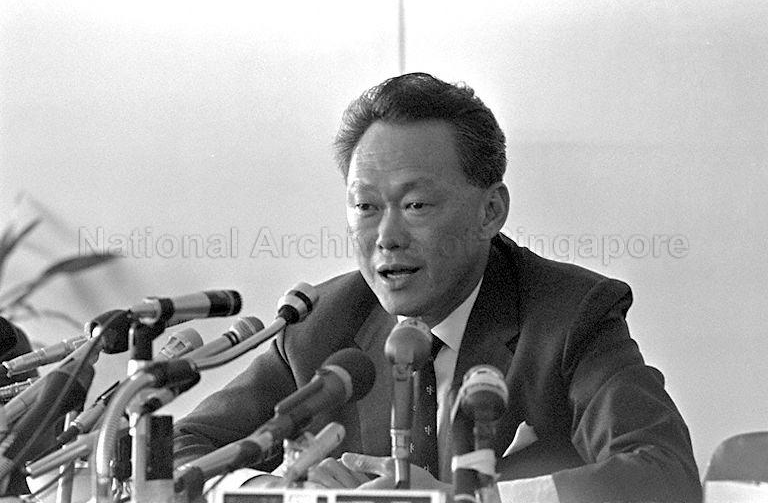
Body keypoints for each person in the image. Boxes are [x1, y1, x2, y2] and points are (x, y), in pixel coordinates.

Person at [173, 72, 702, 502]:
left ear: (491, 211)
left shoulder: (567, 316)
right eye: (365, 207)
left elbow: (663, 475)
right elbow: (174, 451)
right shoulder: (322, 324)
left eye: (416, 206)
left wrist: (465, 501)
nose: (386, 237)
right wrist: (281, 490)